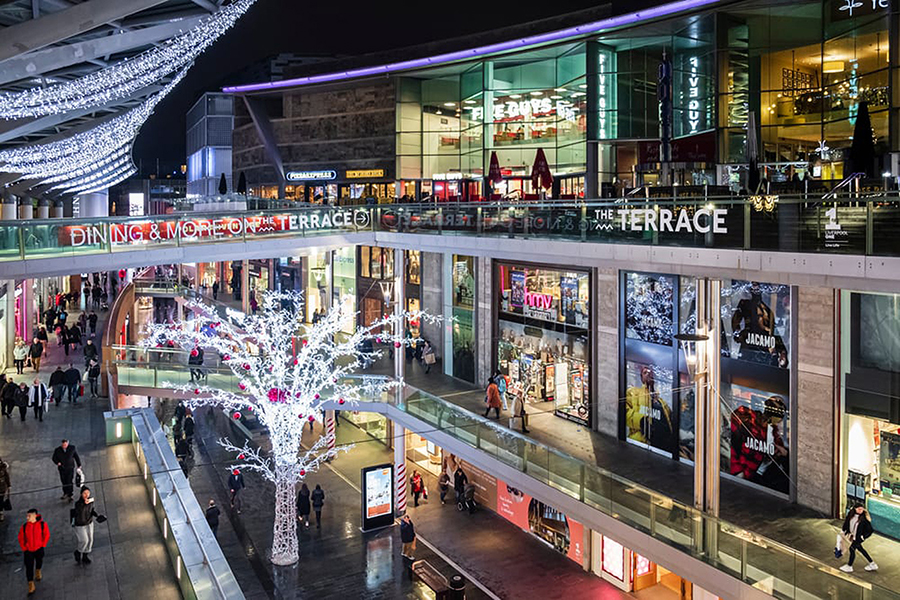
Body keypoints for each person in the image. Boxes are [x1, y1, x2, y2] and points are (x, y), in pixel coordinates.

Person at [18, 508, 50, 595]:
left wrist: (43, 544)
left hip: (39, 548)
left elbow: (46, 534)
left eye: (29, 516)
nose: (27, 518)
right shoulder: (24, 527)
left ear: (35, 516)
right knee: (29, 567)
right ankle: (31, 584)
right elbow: (21, 538)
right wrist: (24, 548)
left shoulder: (42, 524)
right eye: (27, 516)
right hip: (28, 551)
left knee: (39, 561)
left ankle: (38, 570)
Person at [71, 485, 106, 565]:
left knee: (90, 540)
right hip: (80, 524)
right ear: (81, 494)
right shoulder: (78, 504)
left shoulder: (90, 501)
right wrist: (85, 503)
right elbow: (79, 510)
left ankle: (85, 555)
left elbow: (92, 510)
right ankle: (78, 551)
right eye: (84, 493)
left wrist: (97, 515)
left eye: (88, 493)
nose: (86, 495)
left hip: (89, 522)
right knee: (84, 540)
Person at [840, 504, 878, 572]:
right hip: (853, 536)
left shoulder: (864, 519)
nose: (861, 510)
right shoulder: (851, 515)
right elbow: (847, 522)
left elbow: (870, 530)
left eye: (862, 509)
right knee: (860, 549)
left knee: (852, 549)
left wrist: (863, 537)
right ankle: (872, 564)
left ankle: (849, 566)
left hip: (858, 538)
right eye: (859, 509)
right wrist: (843, 530)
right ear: (855, 509)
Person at [0, 457, 10, 521]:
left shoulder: (3, 468)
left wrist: (9, 485)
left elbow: (6, 476)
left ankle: (0, 513)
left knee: (0, 501)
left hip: (1, 488)